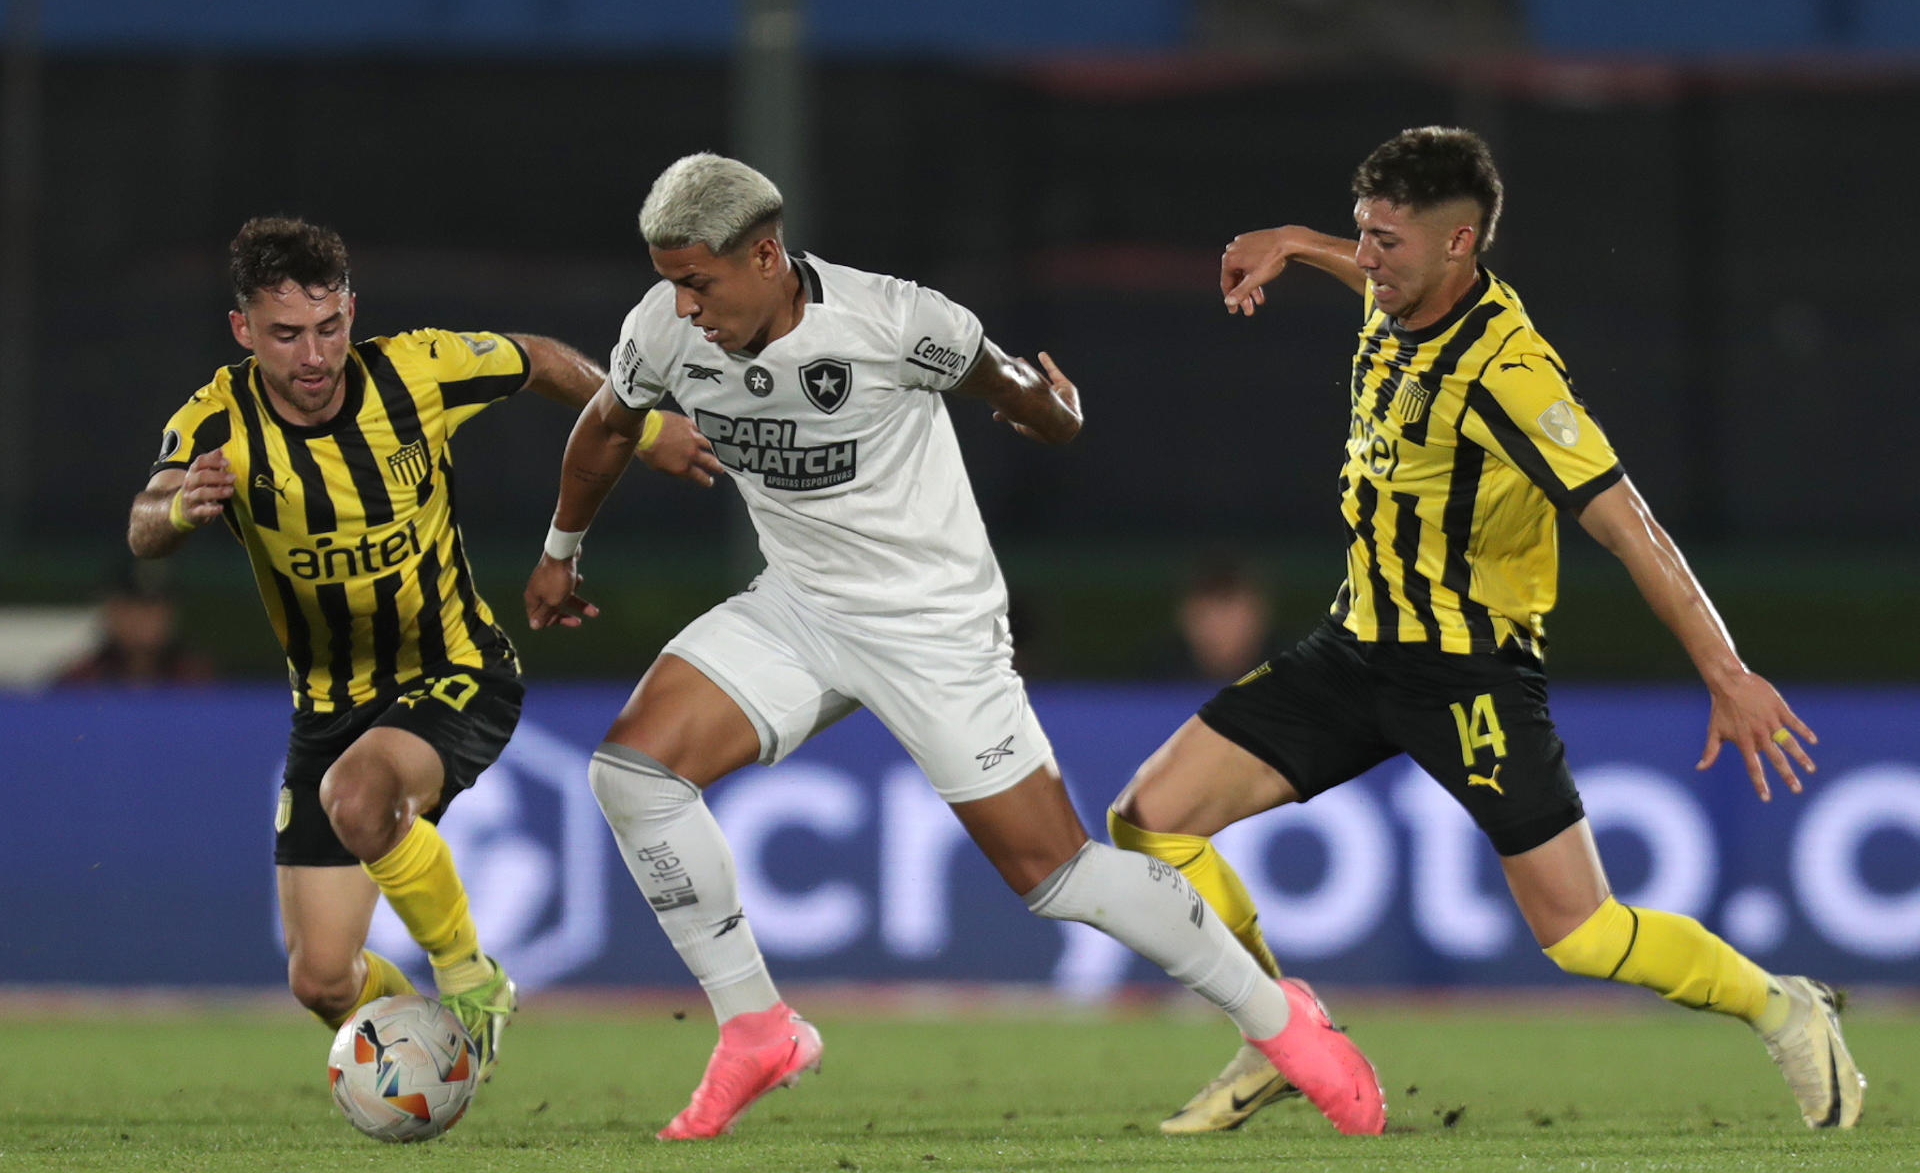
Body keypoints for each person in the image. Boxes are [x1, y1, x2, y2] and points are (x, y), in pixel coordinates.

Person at [523, 153, 1389, 1141]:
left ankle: (1287, 1023)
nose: (681, 305)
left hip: (934, 624)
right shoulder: (660, 330)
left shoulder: (895, 318)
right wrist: (560, 550)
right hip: (800, 608)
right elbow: (605, 425)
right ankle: (757, 1026)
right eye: (671, 280)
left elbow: (1021, 393)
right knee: (634, 773)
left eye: (699, 282)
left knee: (1057, 875)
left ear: (765, 255)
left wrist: (1056, 411)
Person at [1107, 126, 1864, 1134]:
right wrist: (1296, 237)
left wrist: (1725, 670)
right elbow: (1358, 268)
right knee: (1149, 819)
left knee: (1584, 933)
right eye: (1361, 234)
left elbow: (1631, 527)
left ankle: (1784, 1004)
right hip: (1355, 648)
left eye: (1390, 242)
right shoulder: (1394, 297)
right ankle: (1278, 1029)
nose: (1368, 259)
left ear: (1460, 244)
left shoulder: (1511, 375)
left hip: (1470, 676)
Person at [127, 215, 717, 1078]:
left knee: (357, 798)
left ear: (352, 313)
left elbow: (541, 358)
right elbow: (146, 522)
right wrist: (178, 512)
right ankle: (432, 1065)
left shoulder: (415, 370)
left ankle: (471, 978)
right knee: (323, 978)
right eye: (286, 335)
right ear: (243, 331)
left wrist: (645, 425)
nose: (315, 356)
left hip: (458, 670)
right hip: (329, 708)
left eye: (330, 328)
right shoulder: (217, 422)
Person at [56, 562, 215, 685]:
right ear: (111, 610)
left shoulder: (198, 682)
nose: (144, 618)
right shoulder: (83, 682)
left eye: (154, 605)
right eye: (132, 605)